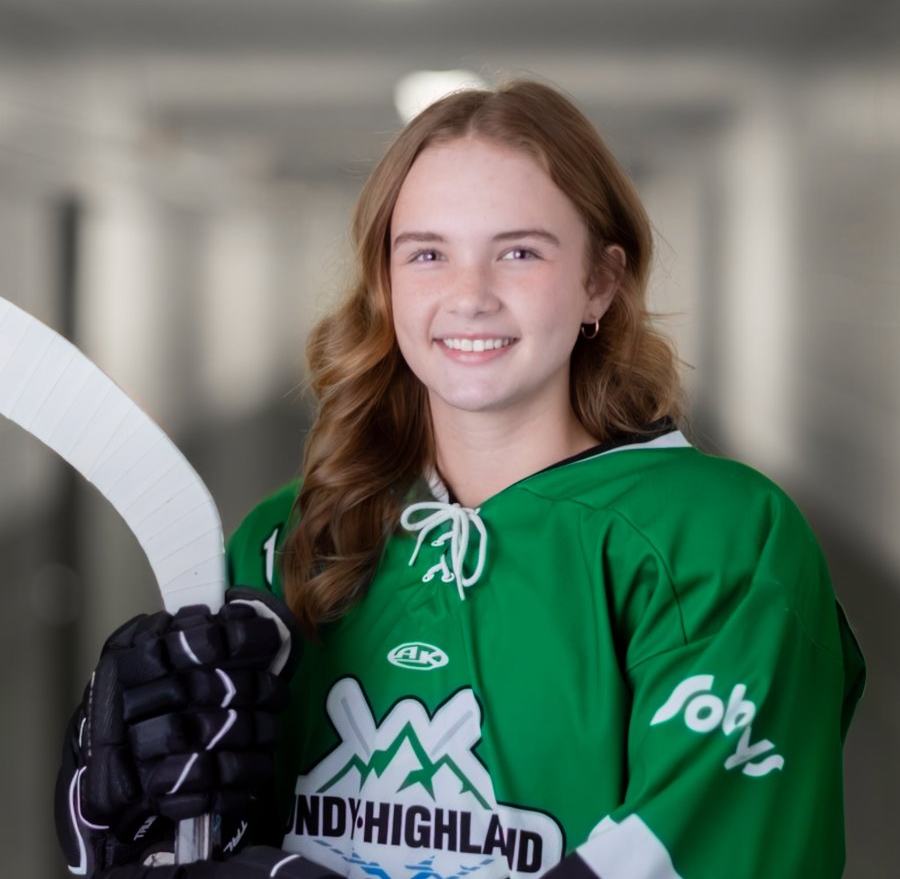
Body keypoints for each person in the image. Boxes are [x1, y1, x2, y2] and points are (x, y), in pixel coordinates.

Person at [56, 80, 865, 879]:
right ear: (386, 284)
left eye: (519, 252)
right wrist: (140, 813)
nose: (469, 297)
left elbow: (711, 852)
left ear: (600, 282)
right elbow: (188, 835)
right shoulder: (289, 538)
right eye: (428, 254)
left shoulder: (719, 542)